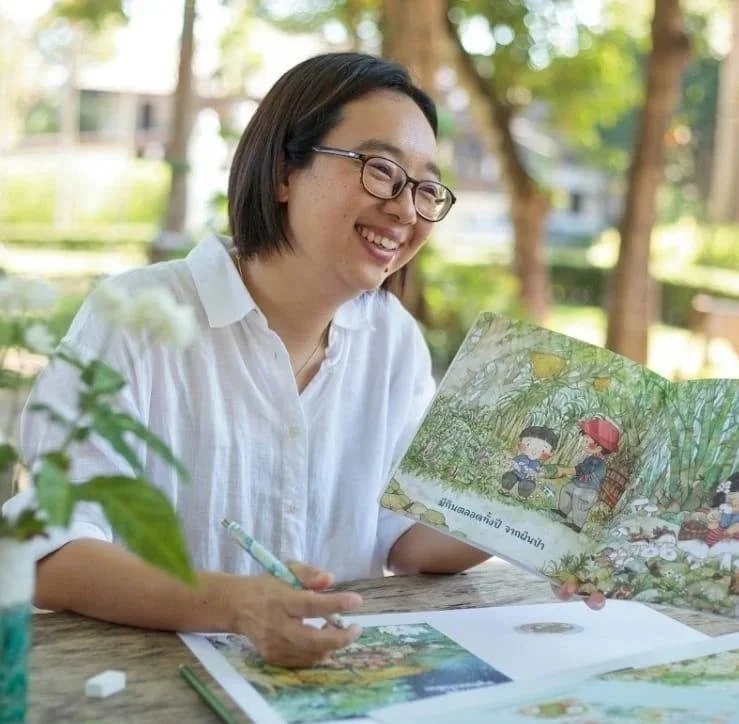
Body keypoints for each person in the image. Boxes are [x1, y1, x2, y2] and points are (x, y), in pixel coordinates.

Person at [3, 53, 600, 669]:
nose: (405, 208)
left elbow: (413, 539)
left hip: (338, 686)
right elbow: (48, 552)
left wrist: (552, 525)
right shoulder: (135, 318)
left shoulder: (392, 340)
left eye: (425, 187)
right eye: (381, 170)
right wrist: (235, 605)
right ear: (285, 171)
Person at [554, 418, 621, 532]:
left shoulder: (597, 462)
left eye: (586, 441)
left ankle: (577, 525)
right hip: (579, 484)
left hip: (588, 490)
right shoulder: (591, 458)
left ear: (599, 447)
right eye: (584, 441)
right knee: (567, 490)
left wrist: (564, 470)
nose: (583, 444)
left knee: (579, 502)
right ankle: (562, 511)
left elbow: (580, 470)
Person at [499, 425, 559, 499]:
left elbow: (538, 472)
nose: (534, 450)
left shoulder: (537, 464)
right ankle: (505, 489)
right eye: (528, 444)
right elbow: (513, 462)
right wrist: (512, 464)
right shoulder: (520, 457)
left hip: (527, 478)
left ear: (550, 454)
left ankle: (522, 496)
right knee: (509, 477)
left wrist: (536, 474)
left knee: (528, 485)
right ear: (520, 442)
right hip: (515, 473)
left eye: (543, 449)